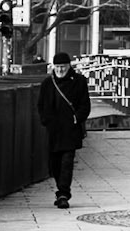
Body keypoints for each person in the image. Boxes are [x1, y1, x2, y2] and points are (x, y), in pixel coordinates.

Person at [36, 49, 91, 208]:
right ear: (53, 67)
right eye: (58, 67)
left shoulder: (79, 81)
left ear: (69, 66)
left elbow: (85, 104)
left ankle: (63, 194)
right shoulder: (48, 83)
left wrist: (76, 118)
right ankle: (61, 188)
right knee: (54, 163)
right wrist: (46, 121)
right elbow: (41, 105)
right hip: (53, 130)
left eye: (63, 66)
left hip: (70, 129)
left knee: (67, 161)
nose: (60, 70)